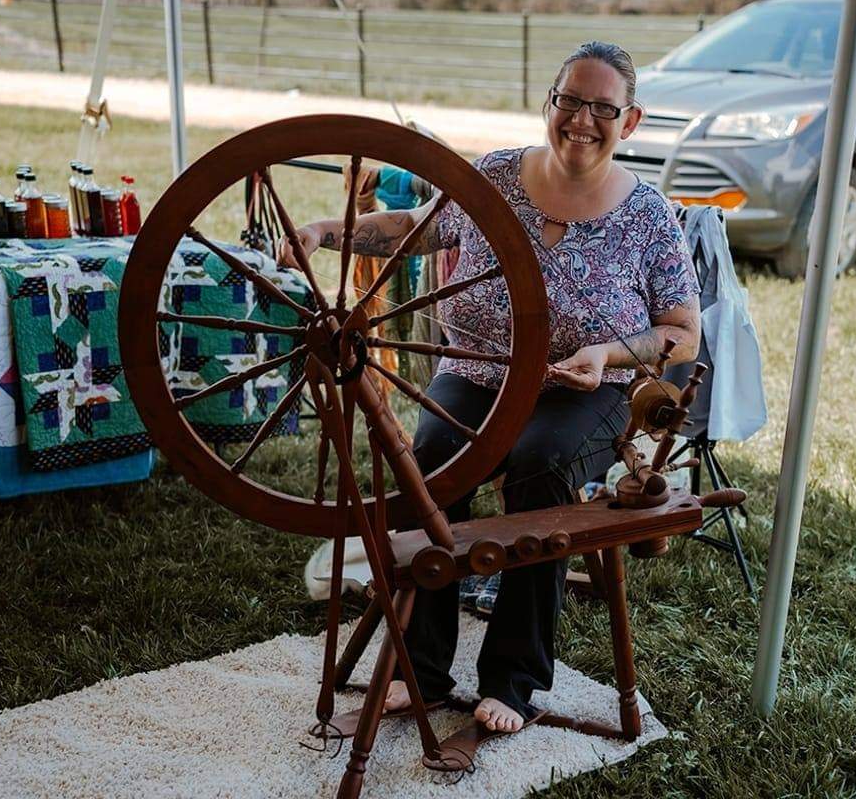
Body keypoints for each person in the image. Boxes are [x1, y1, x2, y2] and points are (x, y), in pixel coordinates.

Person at [280, 40, 701, 735]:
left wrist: (606, 351)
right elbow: (415, 230)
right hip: (479, 372)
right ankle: (423, 668)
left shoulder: (647, 215)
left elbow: (682, 333)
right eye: (570, 100)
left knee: (540, 469)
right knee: (430, 462)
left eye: (603, 107)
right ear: (549, 103)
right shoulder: (496, 175)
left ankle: (515, 679)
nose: (582, 120)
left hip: (586, 390)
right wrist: (329, 230)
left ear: (630, 122)